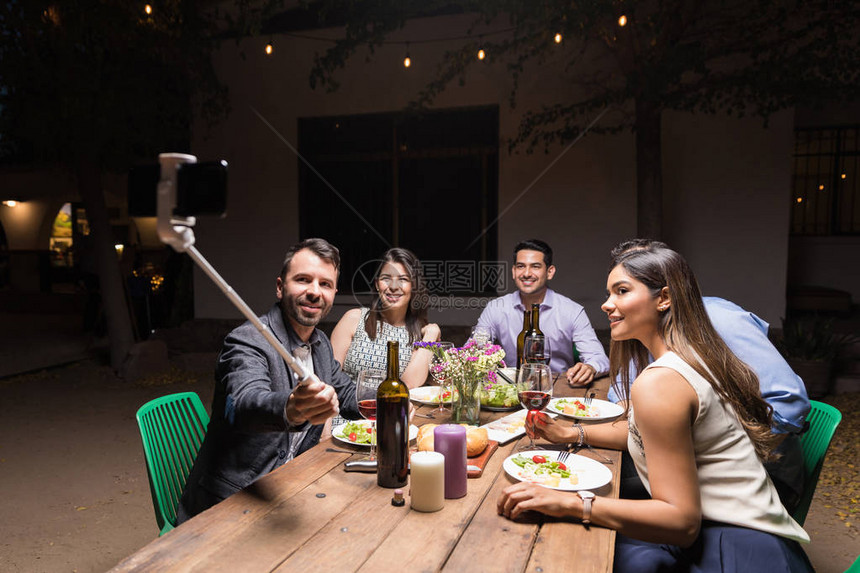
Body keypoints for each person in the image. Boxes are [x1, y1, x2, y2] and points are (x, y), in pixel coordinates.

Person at [498, 241, 812, 572]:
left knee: (573, 551)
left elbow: (681, 523)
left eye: (621, 291)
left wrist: (570, 503)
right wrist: (569, 432)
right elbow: (646, 433)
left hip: (739, 552)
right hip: (741, 540)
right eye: (609, 293)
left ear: (663, 298)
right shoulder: (689, 358)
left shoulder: (661, 380)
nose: (607, 304)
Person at [603, 242, 810, 510]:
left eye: (623, 289)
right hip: (697, 464)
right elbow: (623, 391)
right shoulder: (643, 331)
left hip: (764, 475)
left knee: (608, 490)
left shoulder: (718, 317)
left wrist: (717, 449)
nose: (609, 303)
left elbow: (789, 403)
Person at [177, 238, 359, 523]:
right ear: (280, 287)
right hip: (232, 501)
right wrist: (292, 408)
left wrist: (393, 399)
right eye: (303, 280)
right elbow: (246, 403)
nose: (314, 292)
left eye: (325, 284)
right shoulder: (247, 341)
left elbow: (347, 394)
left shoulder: (320, 344)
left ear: (334, 293)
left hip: (290, 486)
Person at [476, 239, 609, 384]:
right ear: (514, 271)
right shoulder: (495, 308)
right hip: (510, 389)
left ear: (549, 272)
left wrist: (590, 367)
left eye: (535, 266)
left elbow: (598, 358)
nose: (527, 273)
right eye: (521, 266)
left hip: (559, 387)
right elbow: (474, 350)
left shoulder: (572, 311)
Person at [331, 247, 441, 389]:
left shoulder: (420, 334)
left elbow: (409, 385)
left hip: (396, 409)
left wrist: (430, 336)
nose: (394, 287)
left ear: (414, 286)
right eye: (386, 278)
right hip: (349, 407)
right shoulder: (354, 319)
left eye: (403, 279)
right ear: (377, 284)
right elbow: (329, 378)